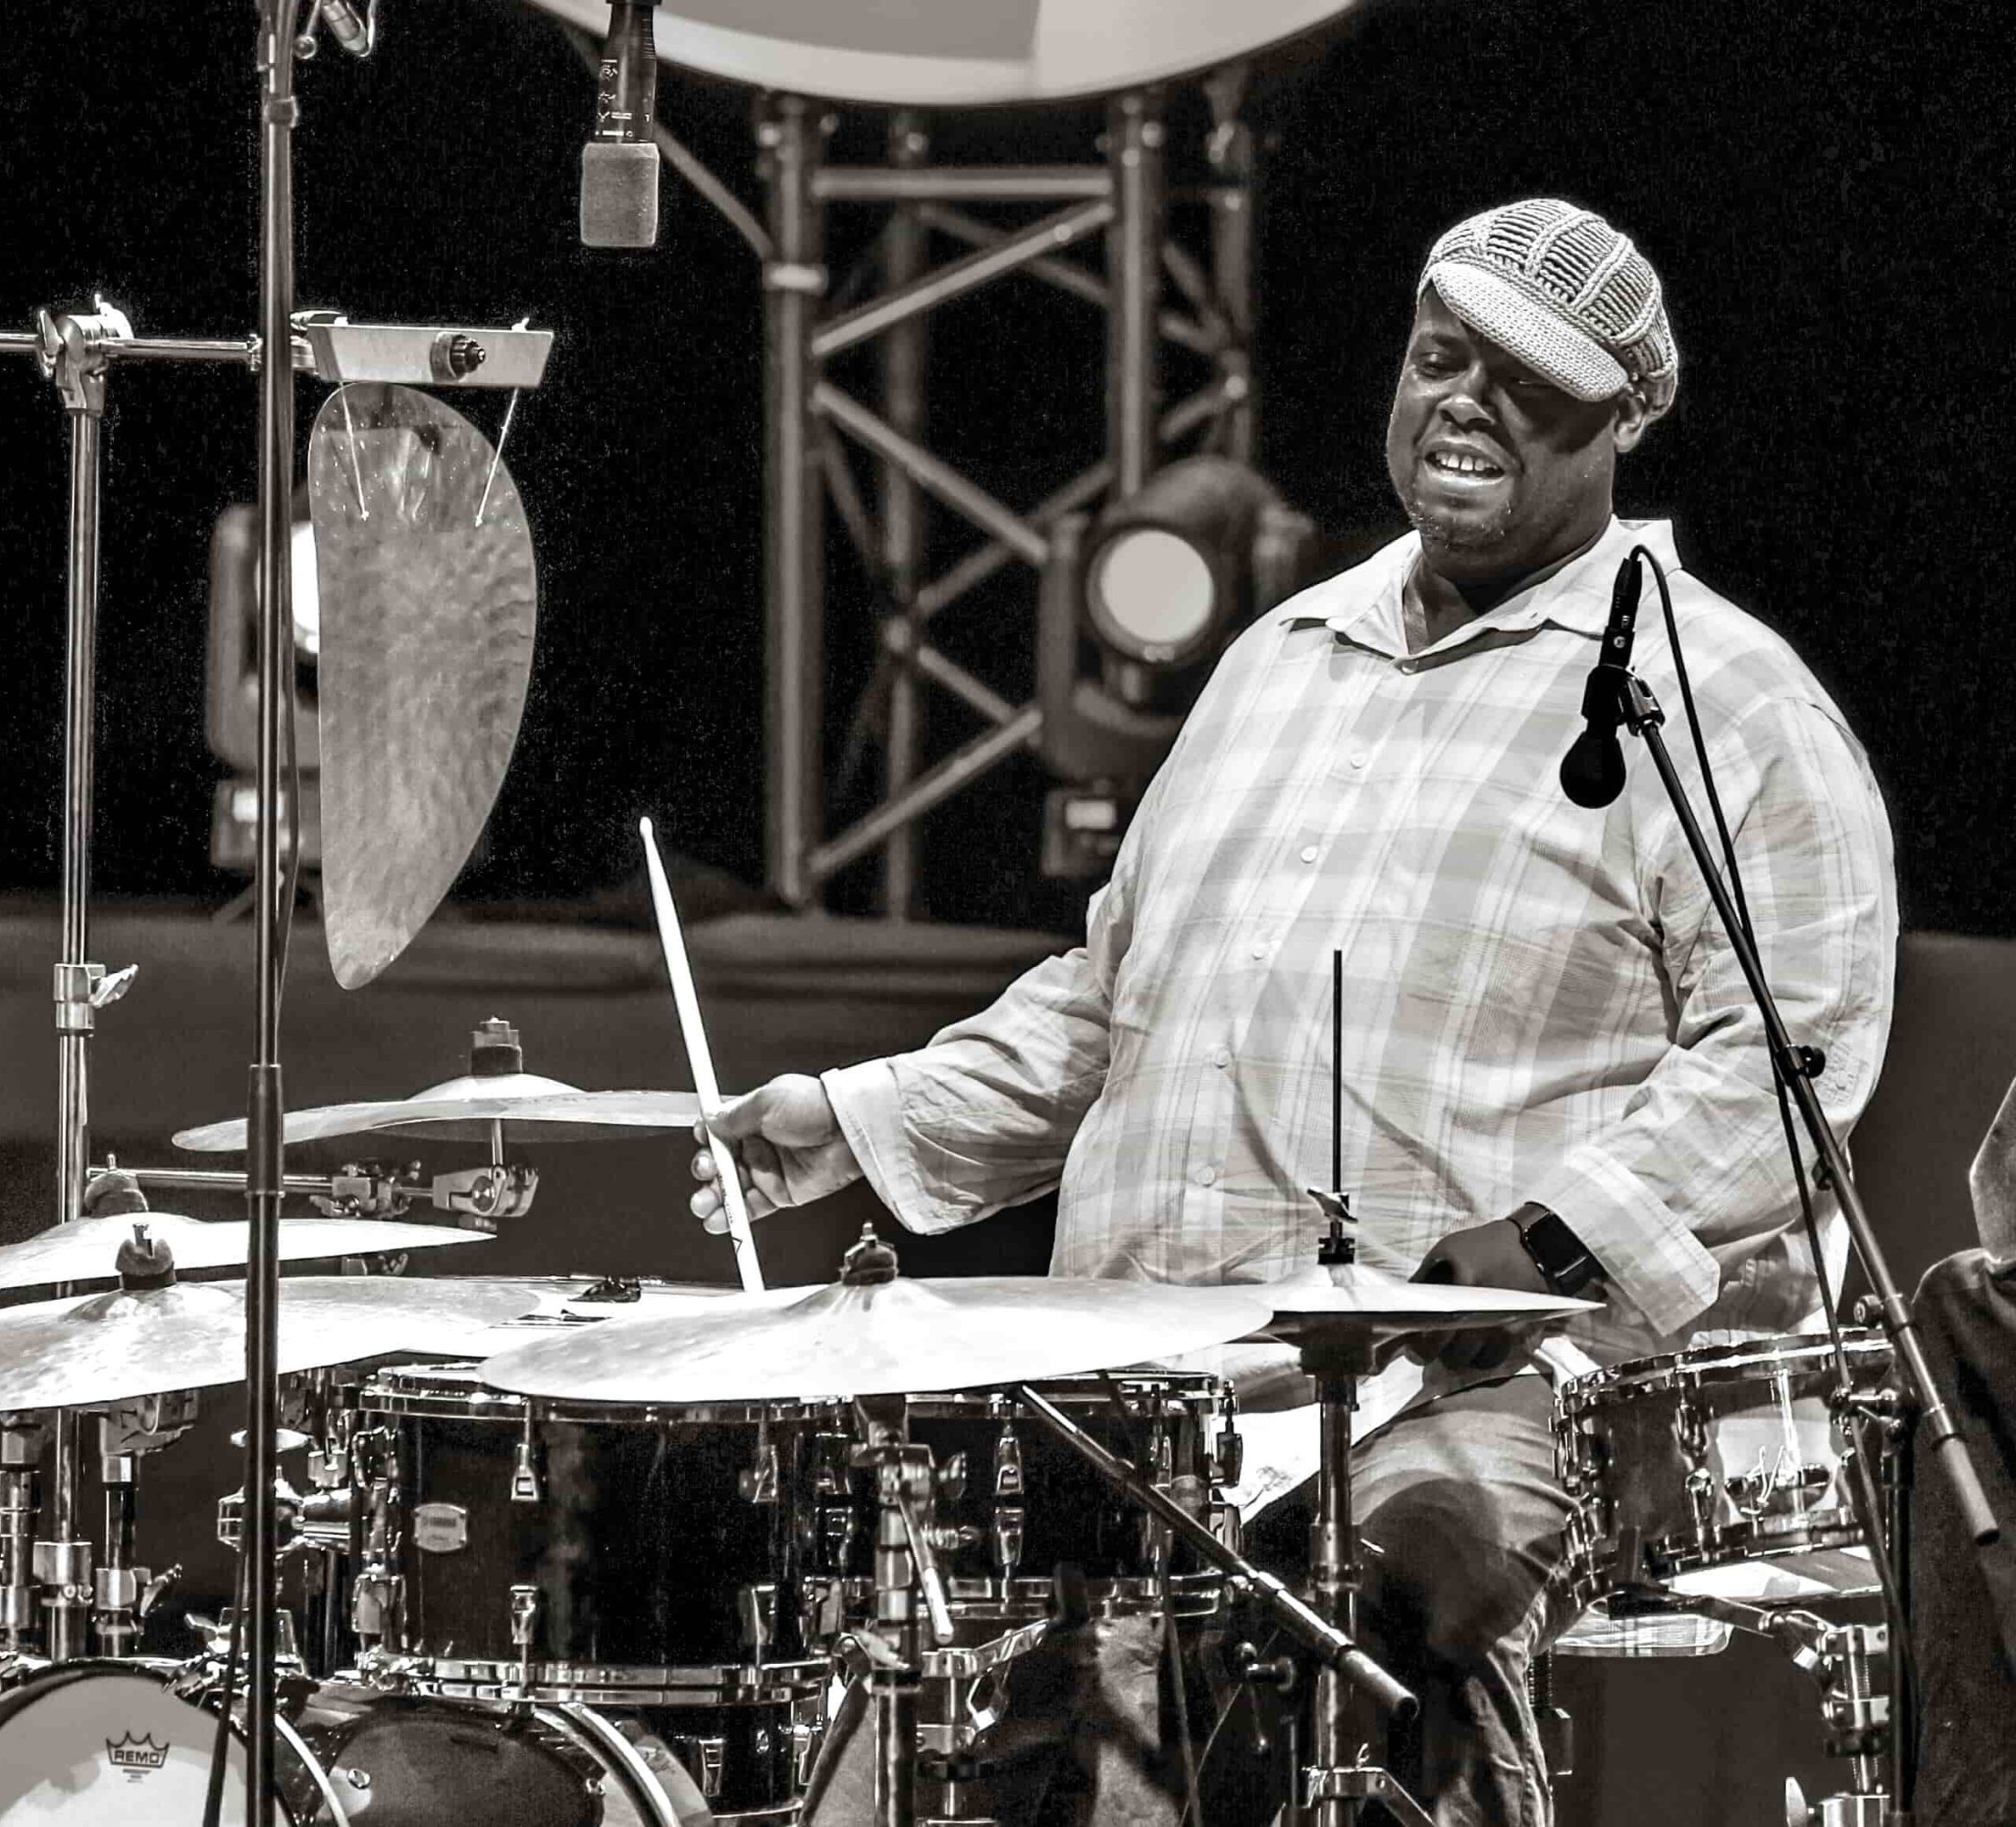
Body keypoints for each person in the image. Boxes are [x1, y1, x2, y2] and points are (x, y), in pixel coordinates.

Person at [691, 199, 1897, 1826]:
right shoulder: (1281, 657)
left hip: (1456, 1393)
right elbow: (1112, 1002)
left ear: (1621, 419)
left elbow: (1793, 1053)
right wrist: (856, 1116)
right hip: (1148, 1380)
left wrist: (1552, 1246)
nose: (1466, 403)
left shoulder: (1723, 695)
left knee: (1393, 1597)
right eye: (1441, 358)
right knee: (952, 1697)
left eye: (1528, 383)